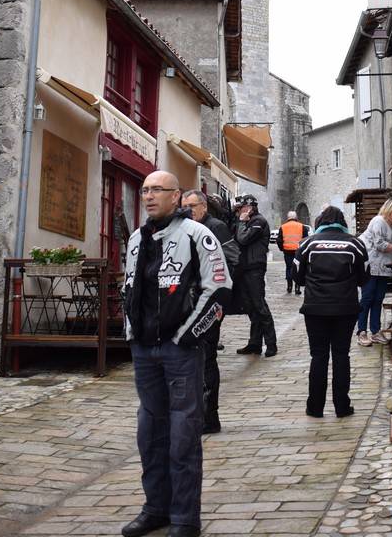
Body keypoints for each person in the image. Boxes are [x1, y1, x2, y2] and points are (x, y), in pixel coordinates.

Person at [122, 171, 231, 537]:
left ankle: (185, 518)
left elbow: (218, 291)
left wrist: (185, 337)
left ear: (176, 196)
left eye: (157, 190)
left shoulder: (198, 235)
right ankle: (156, 508)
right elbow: (129, 290)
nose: (149, 196)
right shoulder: (137, 238)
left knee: (183, 435)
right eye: (145, 190)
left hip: (180, 352)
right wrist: (132, 335)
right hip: (144, 351)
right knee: (149, 433)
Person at [294, 206, 368, 418]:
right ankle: (342, 406)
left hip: (315, 308)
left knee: (318, 356)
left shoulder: (307, 244)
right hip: (345, 308)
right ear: (342, 222)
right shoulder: (355, 244)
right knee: (341, 355)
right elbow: (364, 277)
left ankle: (315, 408)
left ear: (320, 222)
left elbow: (297, 276)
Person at [181, 189, 240, 435]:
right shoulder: (185, 228)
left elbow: (233, 259)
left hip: (209, 302)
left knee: (205, 357)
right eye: (184, 206)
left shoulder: (215, 227)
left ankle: (209, 417)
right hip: (189, 302)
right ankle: (196, 414)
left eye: (192, 206)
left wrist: (215, 291)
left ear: (204, 206)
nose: (187, 211)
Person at [357, 198, 392, 347]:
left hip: (383, 268)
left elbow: (389, 247)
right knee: (367, 298)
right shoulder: (379, 221)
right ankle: (361, 332)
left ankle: (375, 331)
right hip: (371, 266)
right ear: (389, 209)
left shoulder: (391, 226)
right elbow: (379, 244)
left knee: (378, 299)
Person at [231, 194, 277, 357]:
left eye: (241, 208)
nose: (238, 212)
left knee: (260, 306)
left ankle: (271, 343)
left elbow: (243, 239)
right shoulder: (249, 221)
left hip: (254, 269)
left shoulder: (259, 221)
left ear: (250, 208)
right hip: (245, 268)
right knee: (251, 307)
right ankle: (255, 343)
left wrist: (242, 221)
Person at [275, 210, 310, 295]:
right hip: (299, 251)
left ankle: (289, 286)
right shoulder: (302, 226)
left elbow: (279, 240)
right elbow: (306, 240)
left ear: (288, 218)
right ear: (296, 218)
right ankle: (297, 288)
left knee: (289, 268)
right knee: (299, 268)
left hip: (287, 251)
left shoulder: (283, 227)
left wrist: (282, 249)